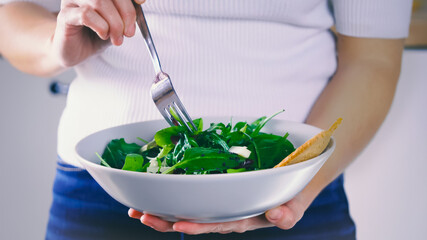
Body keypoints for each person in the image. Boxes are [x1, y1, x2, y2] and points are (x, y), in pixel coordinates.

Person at [0, 0, 412, 239]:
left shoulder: (293, 190)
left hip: (294, 194)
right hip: (102, 195)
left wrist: (293, 188)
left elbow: (372, 59)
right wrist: (58, 43)